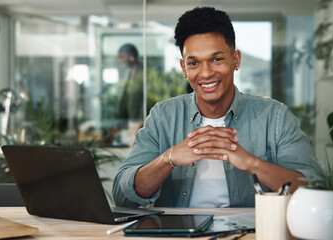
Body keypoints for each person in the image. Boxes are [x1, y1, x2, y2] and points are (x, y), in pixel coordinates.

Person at [112, 7, 316, 208]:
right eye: (194, 63)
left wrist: (251, 163)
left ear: (236, 60)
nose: (206, 73)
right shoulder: (162, 116)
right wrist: (169, 158)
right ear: (183, 68)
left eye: (216, 59)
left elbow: (313, 187)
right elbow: (123, 195)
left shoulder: (275, 116)